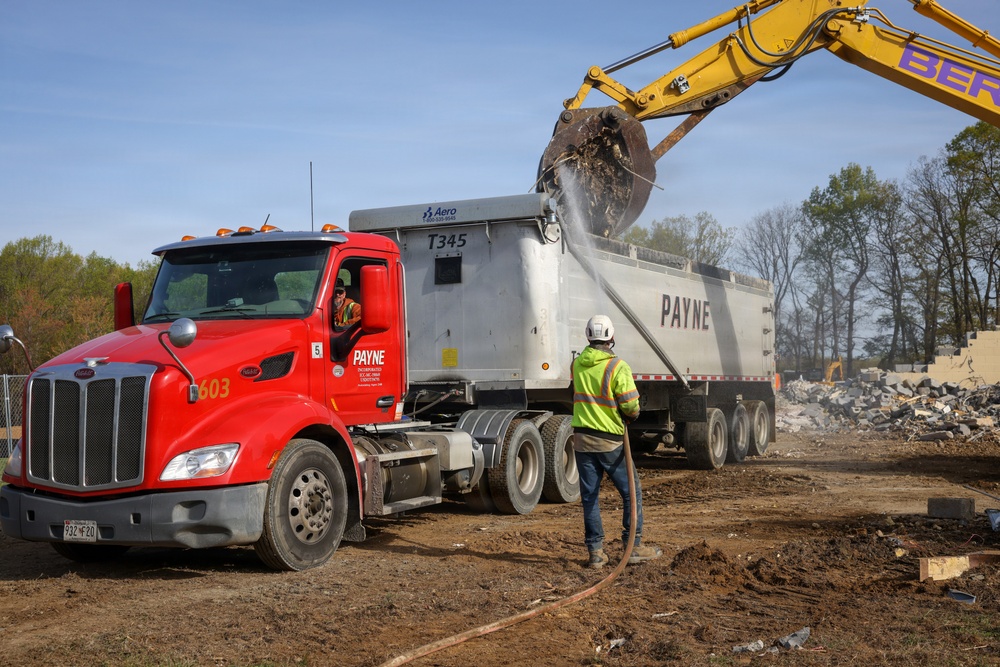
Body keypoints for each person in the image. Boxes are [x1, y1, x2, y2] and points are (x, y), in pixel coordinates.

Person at [572, 314, 662, 569]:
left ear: (588, 336)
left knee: (590, 496)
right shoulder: (617, 366)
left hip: (581, 440)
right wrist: (631, 415)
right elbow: (631, 405)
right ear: (612, 337)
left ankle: (596, 553)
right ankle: (633, 546)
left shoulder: (577, 365)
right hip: (610, 441)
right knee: (631, 493)